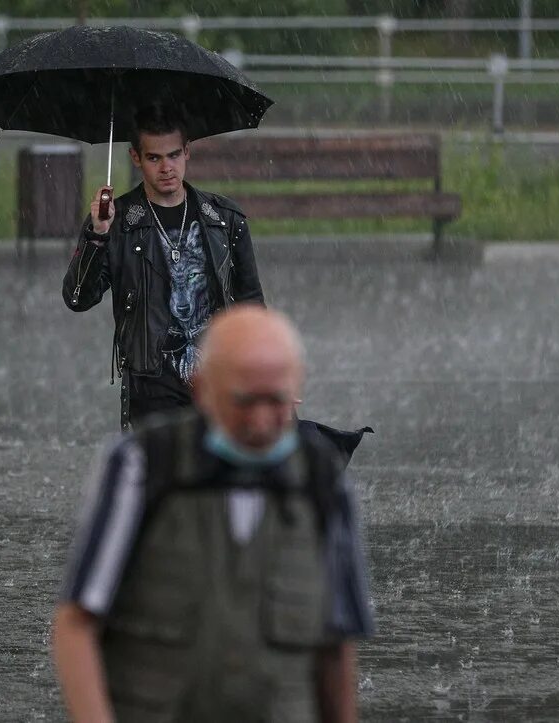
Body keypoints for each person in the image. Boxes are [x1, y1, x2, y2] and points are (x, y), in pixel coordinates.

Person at [53, 306, 373, 723]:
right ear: (202, 388)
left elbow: (337, 644)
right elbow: (76, 624)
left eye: (275, 401)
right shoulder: (143, 465)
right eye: (244, 401)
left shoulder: (322, 480)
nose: (260, 422)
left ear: (297, 390)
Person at [62, 104, 264, 430]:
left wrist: (265, 372)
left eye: (173, 155)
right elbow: (76, 298)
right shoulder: (117, 221)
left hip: (219, 377)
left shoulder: (224, 220)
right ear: (136, 158)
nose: (166, 167)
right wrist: (97, 234)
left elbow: (252, 302)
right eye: (154, 158)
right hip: (152, 384)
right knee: (163, 478)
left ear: (187, 152)